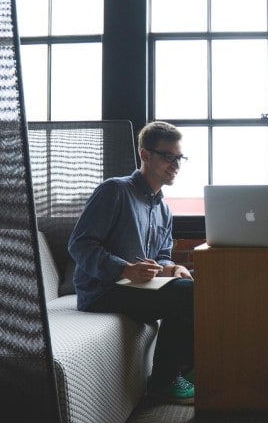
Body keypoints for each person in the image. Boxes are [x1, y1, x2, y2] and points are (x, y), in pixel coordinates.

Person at [68, 120, 195, 404]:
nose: (175, 164)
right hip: (103, 291)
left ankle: (187, 366)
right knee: (190, 294)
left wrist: (172, 268)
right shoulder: (115, 190)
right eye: (168, 156)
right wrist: (124, 269)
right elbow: (80, 245)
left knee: (202, 281)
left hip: (139, 288)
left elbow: (162, 254)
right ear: (145, 154)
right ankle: (163, 381)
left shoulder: (163, 208)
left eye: (179, 158)